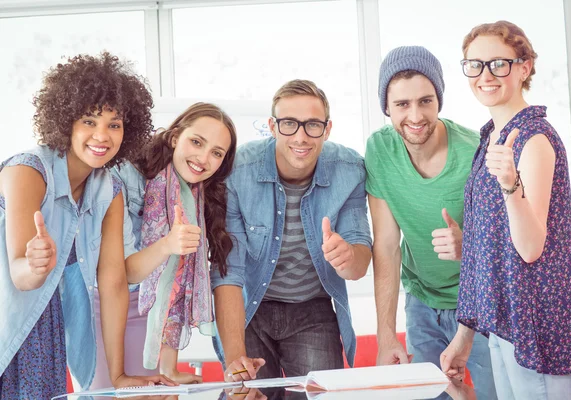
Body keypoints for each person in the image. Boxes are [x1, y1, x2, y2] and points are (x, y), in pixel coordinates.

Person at [0, 52, 174, 399]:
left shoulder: (110, 189)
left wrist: (119, 374)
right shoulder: (27, 172)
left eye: (115, 124)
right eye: (89, 121)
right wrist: (35, 264)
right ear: (66, 122)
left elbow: (113, 282)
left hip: (46, 324)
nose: (102, 135)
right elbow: (20, 275)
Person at [441, 20, 571, 399]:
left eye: (499, 63)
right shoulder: (491, 137)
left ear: (524, 68)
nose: (485, 75)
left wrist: (511, 183)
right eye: (474, 64)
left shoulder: (534, 138)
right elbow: (488, 252)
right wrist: (465, 336)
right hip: (505, 321)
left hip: (536, 324)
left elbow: (530, 247)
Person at [211, 79, 372, 381]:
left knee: (321, 393)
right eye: (289, 124)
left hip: (312, 309)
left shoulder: (349, 169)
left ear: (327, 129)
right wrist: (235, 357)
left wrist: (348, 256)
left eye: (312, 125)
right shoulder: (237, 170)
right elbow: (227, 269)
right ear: (272, 126)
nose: (301, 137)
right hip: (248, 309)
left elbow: (359, 262)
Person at [365, 46, 497, 400]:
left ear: (439, 99)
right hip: (421, 301)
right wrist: (386, 335)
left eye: (425, 101)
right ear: (386, 108)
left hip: (481, 306)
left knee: (492, 396)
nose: (416, 115)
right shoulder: (380, 149)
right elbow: (387, 247)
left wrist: (466, 247)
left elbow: (509, 249)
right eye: (402, 104)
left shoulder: (474, 153)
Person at [91, 102, 239, 387]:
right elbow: (124, 274)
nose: (203, 158)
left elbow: (176, 285)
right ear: (175, 138)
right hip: (107, 303)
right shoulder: (126, 176)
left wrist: (169, 368)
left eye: (216, 153)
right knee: (105, 393)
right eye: (196, 142)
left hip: (147, 317)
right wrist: (169, 244)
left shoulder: (195, 193)